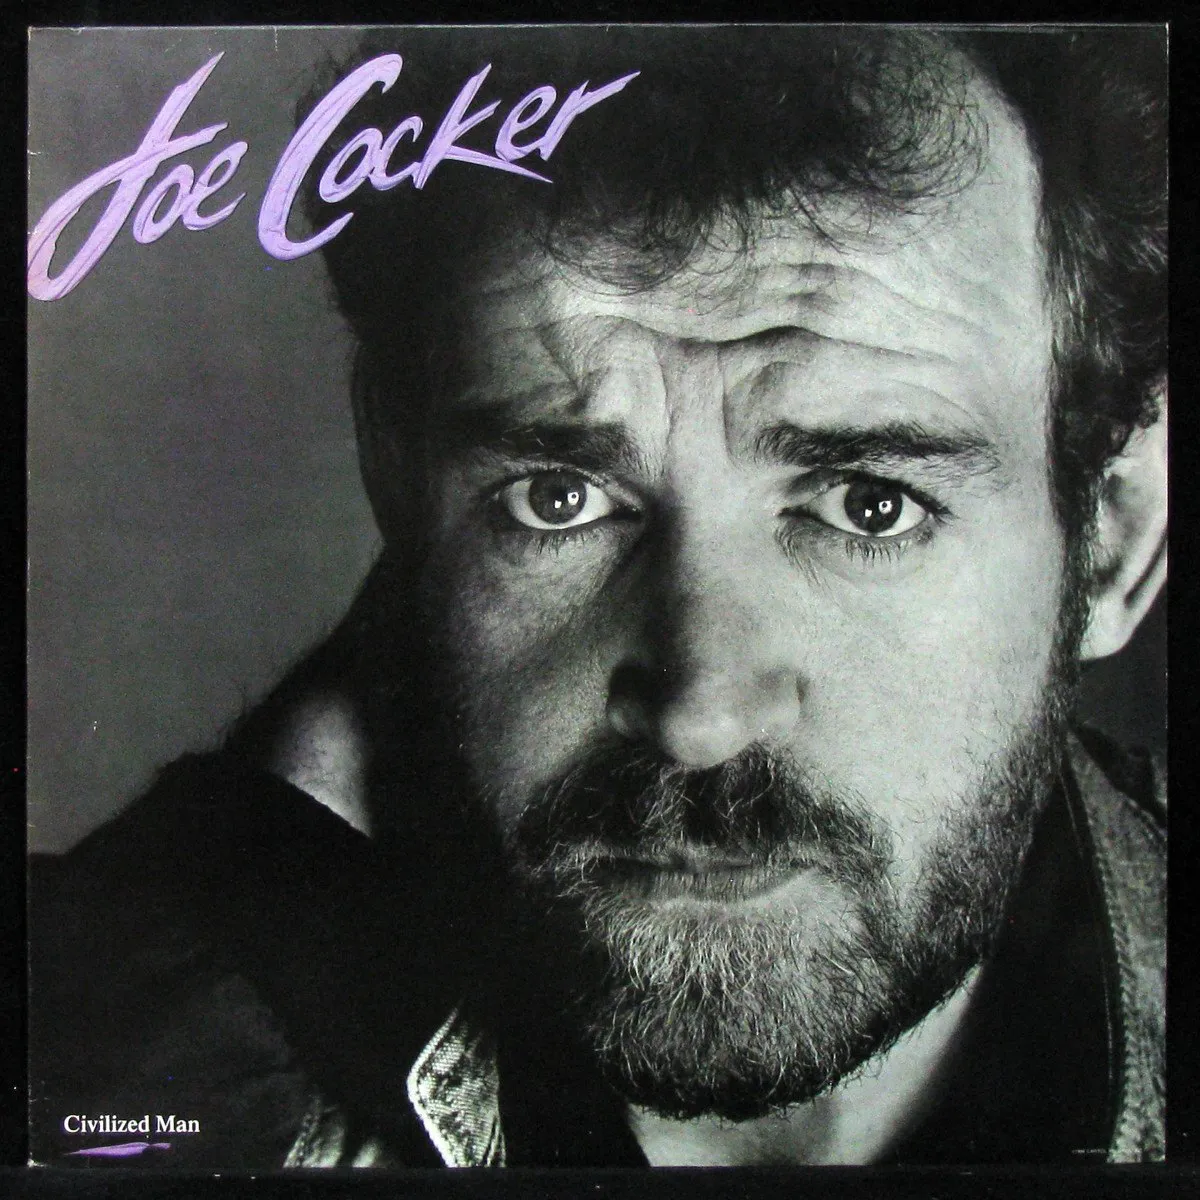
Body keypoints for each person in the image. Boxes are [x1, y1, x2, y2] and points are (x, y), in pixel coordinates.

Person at [29, 26, 1166, 1168]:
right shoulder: (120, 1029)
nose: (701, 715)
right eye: (558, 498)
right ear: (398, 481)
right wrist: (191, 959)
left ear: (1113, 540)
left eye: (872, 506)